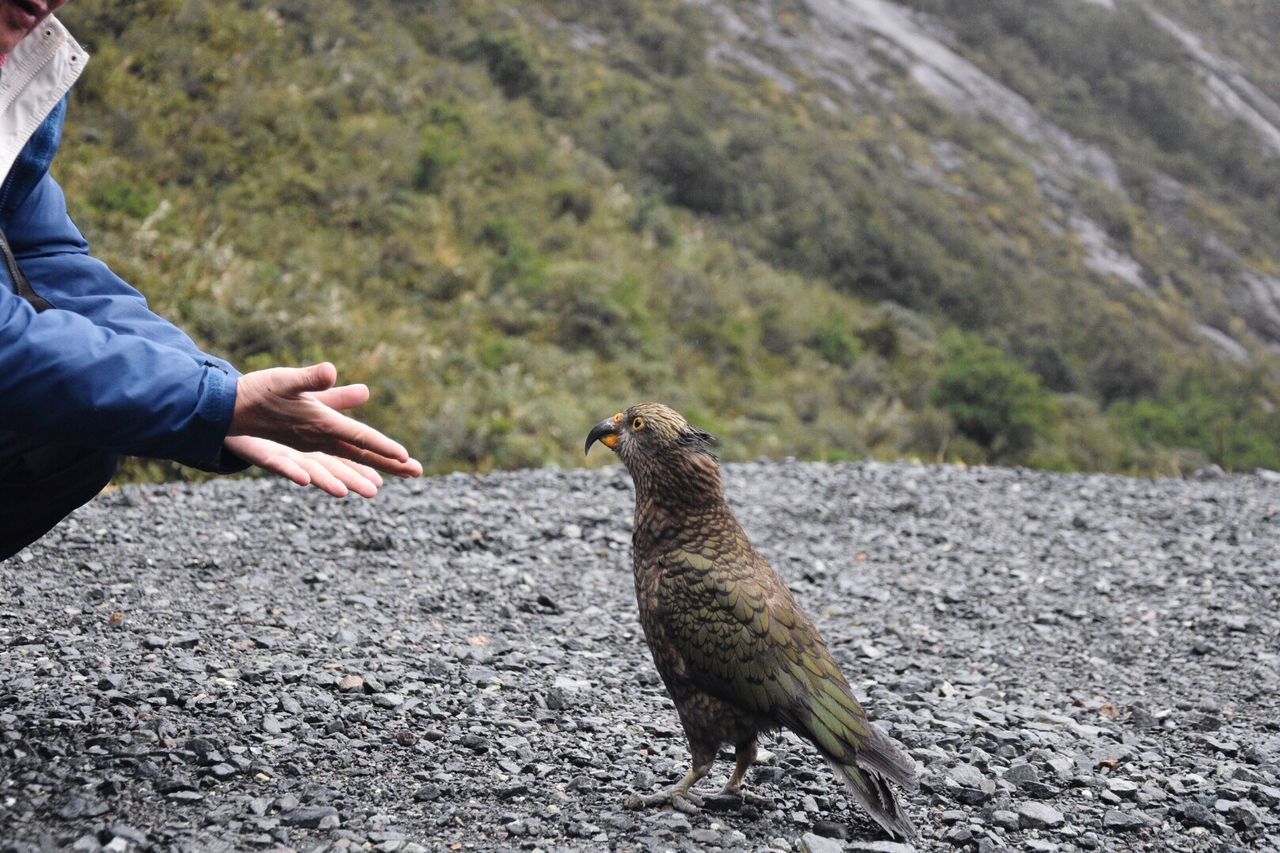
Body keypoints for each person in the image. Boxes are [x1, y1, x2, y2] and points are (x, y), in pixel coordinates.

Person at [0, 1, 423, 560]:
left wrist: (216, 392)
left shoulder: (25, 61)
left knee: (71, 437)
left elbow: (44, 251)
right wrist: (207, 403)